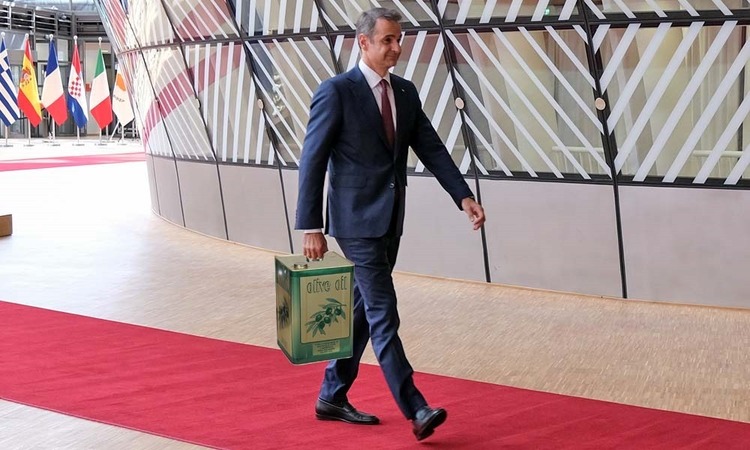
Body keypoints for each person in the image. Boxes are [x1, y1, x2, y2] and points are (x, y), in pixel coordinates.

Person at [295, 7, 486, 442]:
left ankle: (331, 395)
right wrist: (311, 226)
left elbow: (431, 147)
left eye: (399, 39)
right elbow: (313, 160)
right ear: (363, 43)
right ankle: (416, 407)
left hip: (390, 218)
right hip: (354, 222)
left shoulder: (404, 91)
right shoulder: (336, 92)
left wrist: (463, 196)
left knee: (363, 312)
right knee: (383, 311)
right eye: (387, 40)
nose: (397, 47)